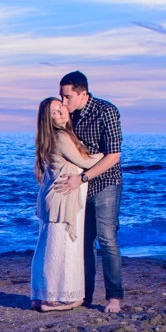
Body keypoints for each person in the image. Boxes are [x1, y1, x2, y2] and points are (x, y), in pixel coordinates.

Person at [59, 70, 124, 314]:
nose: (64, 102)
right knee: (83, 243)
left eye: (67, 97)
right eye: (61, 97)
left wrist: (83, 177)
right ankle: (83, 295)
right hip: (80, 187)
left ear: (82, 93)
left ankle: (114, 297)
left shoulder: (106, 111)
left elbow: (114, 155)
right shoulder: (69, 117)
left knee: (107, 240)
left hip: (106, 183)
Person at [30, 98, 105, 311]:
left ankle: (40, 295)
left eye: (61, 107)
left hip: (52, 196)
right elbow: (88, 163)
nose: (61, 112)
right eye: (54, 112)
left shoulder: (51, 137)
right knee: (61, 249)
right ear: (48, 119)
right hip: (63, 198)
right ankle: (55, 300)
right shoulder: (61, 136)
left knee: (47, 247)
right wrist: (110, 154)